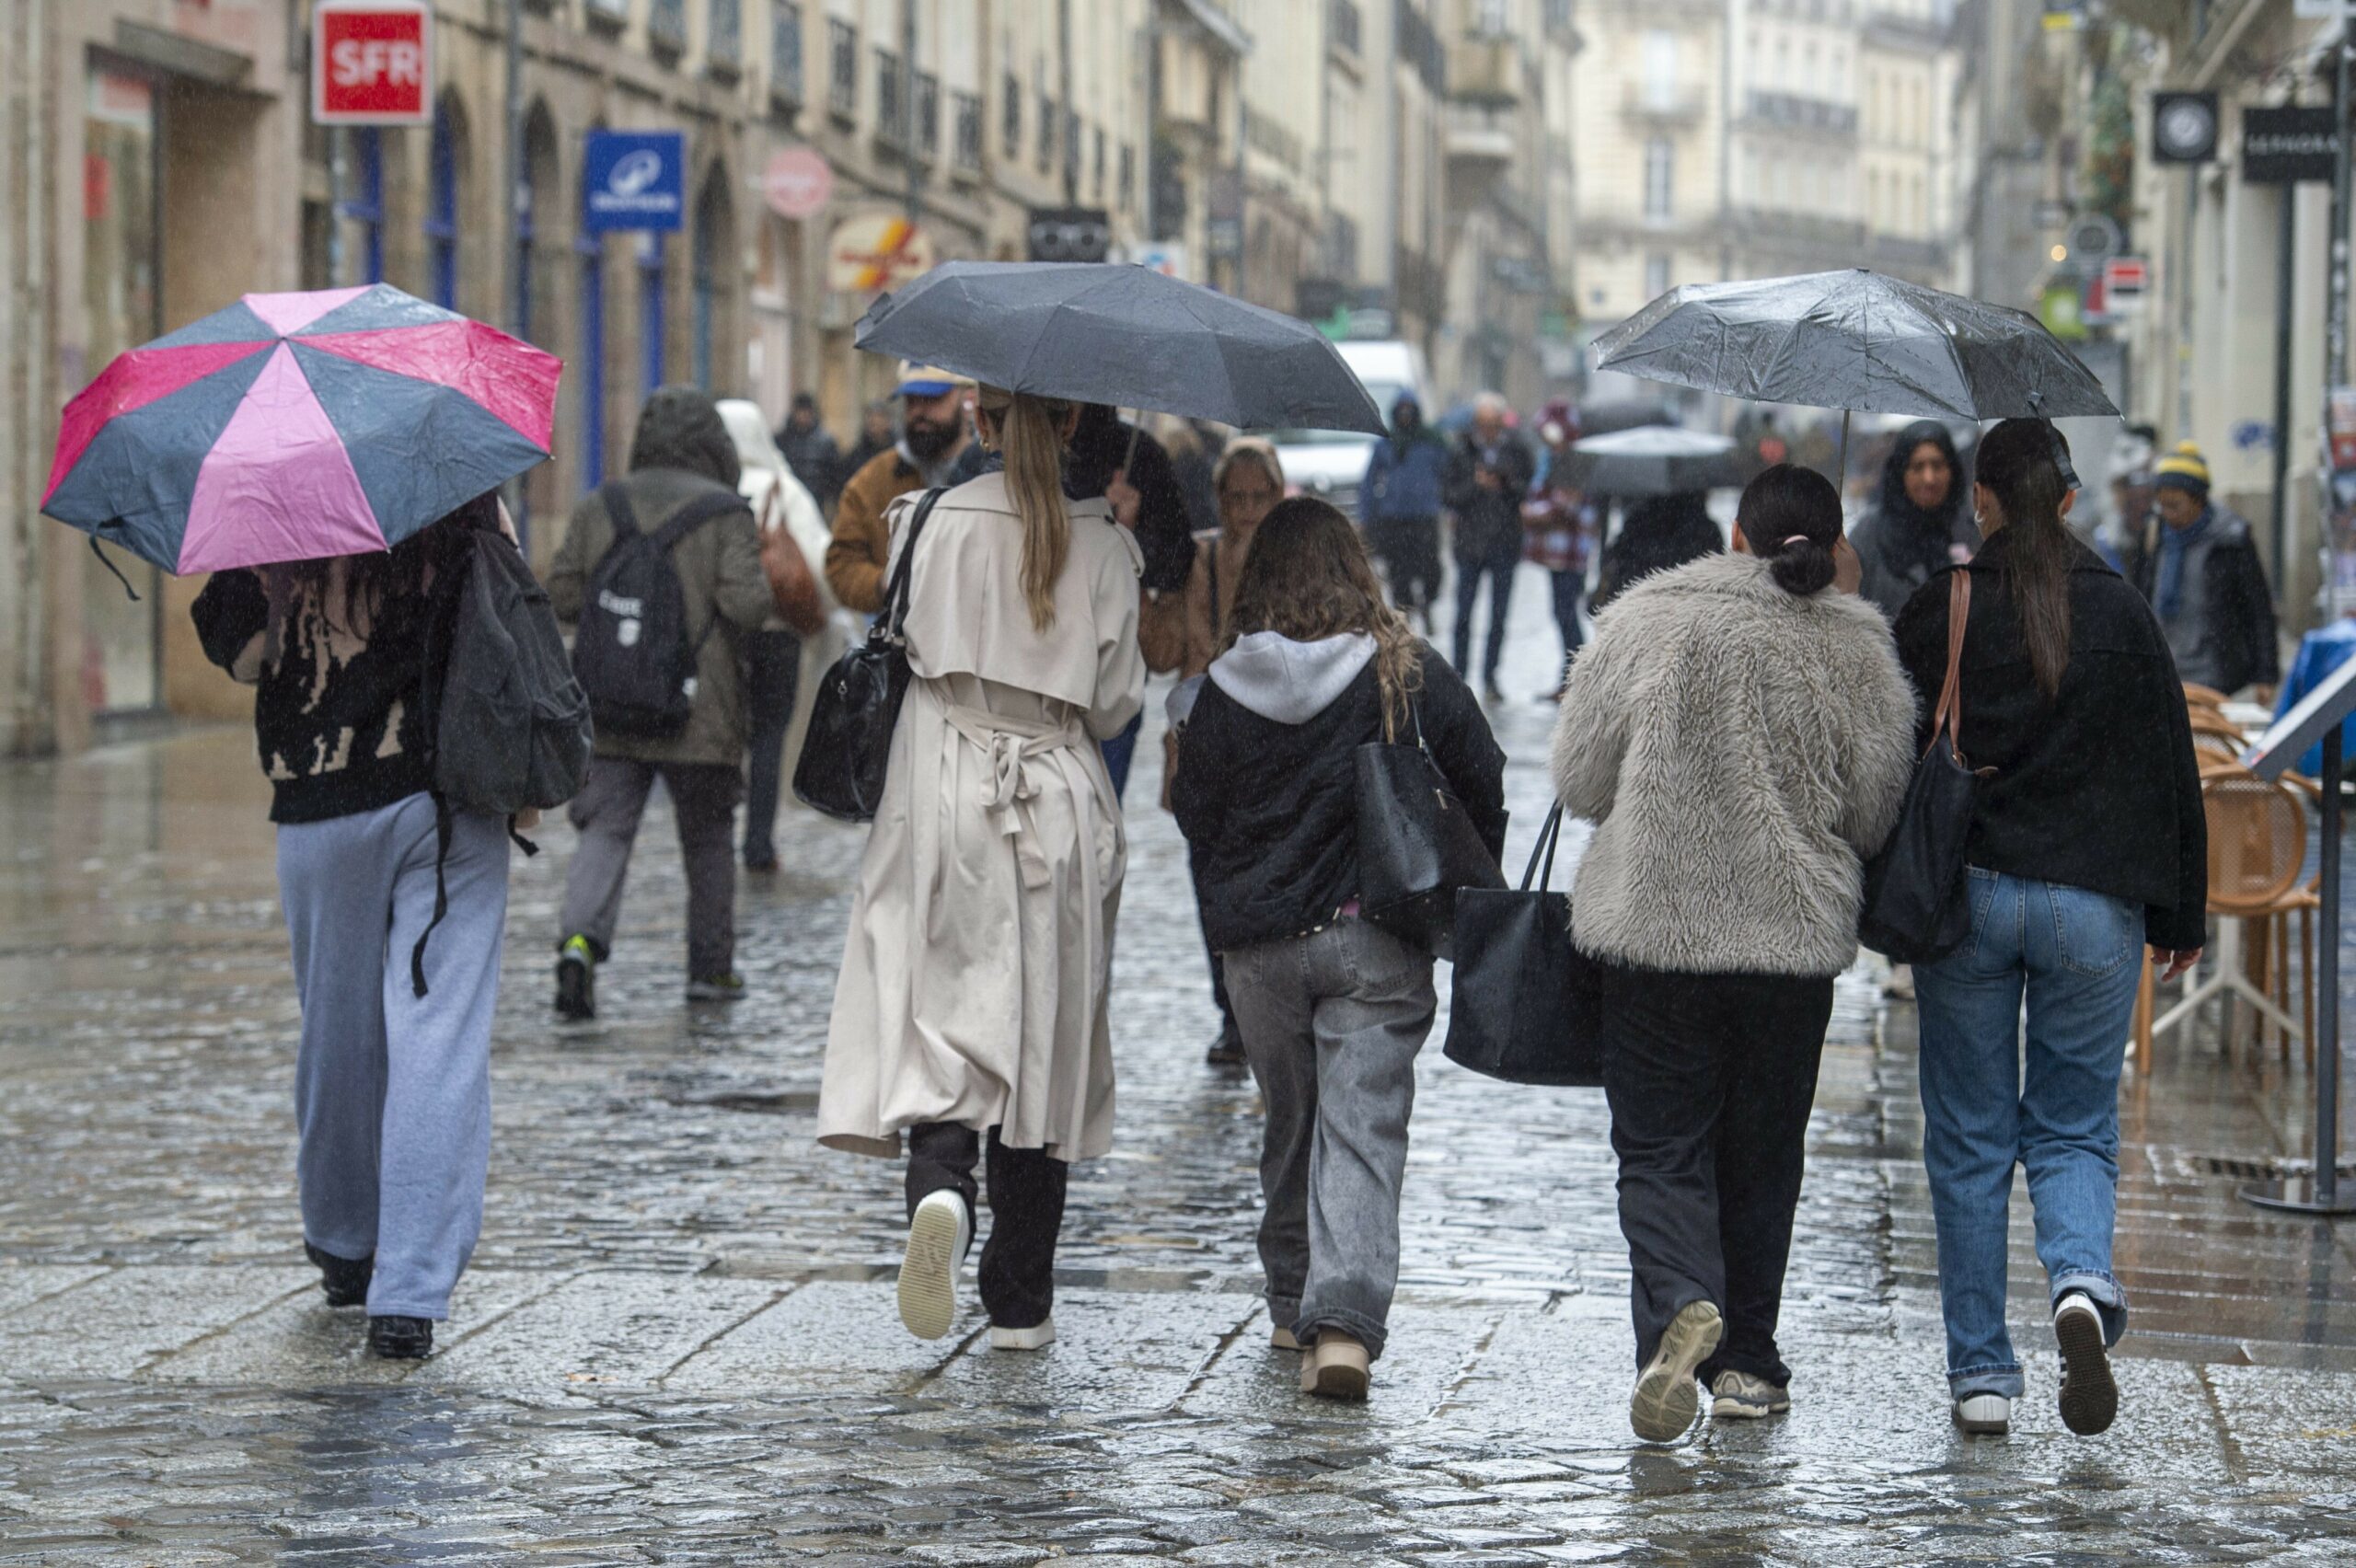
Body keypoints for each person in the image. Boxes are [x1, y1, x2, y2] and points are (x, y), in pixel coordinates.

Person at [1553, 464, 1916, 1443]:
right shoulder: (1858, 646)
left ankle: (1677, 1298)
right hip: (1788, 946)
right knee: (1763, 1155)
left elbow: (1581, 782)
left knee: (1660, 1146)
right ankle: (1748, 1362)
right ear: (1835, 543)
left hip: (1653, 934)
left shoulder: (1645, 619)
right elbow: (1876, 812)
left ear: (1737, 537)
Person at [1892, 419, 2207, 1440]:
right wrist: (2181, 912)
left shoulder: (1942, 606)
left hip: (1971, 900)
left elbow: (1883, 741)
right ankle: (2078, 1284)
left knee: (1970, 1140)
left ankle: (1982, 1376)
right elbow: (2174, 765)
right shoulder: (2121, 609)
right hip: (2093, 909)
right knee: (2072, 1125)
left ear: (1977, 498)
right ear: (2068, 500)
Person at [819, 382, 1146, 1354]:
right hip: (1054, 788)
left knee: (940, 1008)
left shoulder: (923, 524)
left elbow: (901, 639)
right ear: (1077, 420)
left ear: (983, 422)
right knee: (1043, 1036)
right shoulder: (1105, 546)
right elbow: (1120, 698)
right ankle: (1020, 1300)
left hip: (944, 784)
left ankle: (939, 1184)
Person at [1174, 498, 1504, 1401]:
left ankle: (1290, 1303)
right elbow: (1482, 769)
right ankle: (1343, 1329)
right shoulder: (1405, 670)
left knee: (1290, 1125)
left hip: (1259, 952)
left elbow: (1195, 815)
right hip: (1376, 939)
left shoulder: (1222, 687)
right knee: (1359, 1130)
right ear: (1355, 568)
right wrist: (1462, 888)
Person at [190, 495, 517, 1361]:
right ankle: (408, 1292)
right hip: (447, 792)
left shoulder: (269, 498)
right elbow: (514, 618)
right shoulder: (460, 491)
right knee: (438, 1033)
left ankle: (342, 1246)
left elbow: (245, 651)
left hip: (320, 799)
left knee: (336, 1030)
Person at [549, 388, 774, 1018]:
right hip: (703, 713)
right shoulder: (726, 512)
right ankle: (710, 970)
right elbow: (748, 606)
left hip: (611, 700)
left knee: (607, 827)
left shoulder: (603, 502)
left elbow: (562, 595)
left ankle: (578, 943)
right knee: (706, 839)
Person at [1137, 437, 1286, 1066]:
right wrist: (1152, 584)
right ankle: (1232, 1015)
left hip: (1276, 755)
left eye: (1259, 498)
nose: (1246, 511)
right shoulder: (1197, 559)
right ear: (1219, 498)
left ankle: (1267, 1011)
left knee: (1269, 886)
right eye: (1236, 497)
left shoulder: (1294, 564)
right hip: (1204, 755)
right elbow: (1162, 654)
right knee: (1212, 888)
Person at [719, 398, 834, 873]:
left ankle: (714, 837)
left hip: (722, 635)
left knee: (722, 739)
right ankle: (759, 843)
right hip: (777, 635)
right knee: (768, 738)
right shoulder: (783, 488)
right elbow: (821, 561)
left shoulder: (712, 488)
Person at [2119, 441, 2279, 697]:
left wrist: (2265, 674)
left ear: (2199, 500)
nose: (2168, 514)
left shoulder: (2231, 540)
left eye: (2175, 505)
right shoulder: (2154, 536)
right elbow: (2137, 600)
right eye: (2162, 504)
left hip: (2217, 676)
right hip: (2164, 673)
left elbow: (2258, 609)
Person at [826, 366, 974, 615]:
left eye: (933, 400)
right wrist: (887, 583)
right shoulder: (872, 481)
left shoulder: (991, 474)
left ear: (967, 399)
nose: (919, 412)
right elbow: (841, 564)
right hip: (900, 638)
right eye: (911, 401)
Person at [1444, 393, 1536, 700]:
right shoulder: (1461, 451)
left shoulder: (1517, 450)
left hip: (1504, 543)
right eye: (1482, 424)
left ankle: (1490, 676)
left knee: (1499, 617)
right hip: (1470, 545)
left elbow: (1526, 489)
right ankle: (1458, 676)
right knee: (1464, 615)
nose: (1488, 431)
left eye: (1493, 424)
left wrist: (1505, 483)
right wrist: (1476, 486)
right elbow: (1448, 495)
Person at [1850, 420, 1978, 621]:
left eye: (1937, 465)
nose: (1929, 478)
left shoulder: (1974, 529)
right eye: (1917, 467)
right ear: (1901, 472)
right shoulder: (1870, 534)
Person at [1525, 400, 1594, 698]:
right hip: (1558, 553)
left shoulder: (1573, 460)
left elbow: (1565, 504)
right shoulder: (1552, 458)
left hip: (1570, 552)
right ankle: (1569, 676)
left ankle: (1576, 678)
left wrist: (1530, 513)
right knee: (1562, 612)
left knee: (1566, 613)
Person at [1361, 392, 1449, 626]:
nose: (1406, 414)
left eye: (1410, 408)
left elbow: (1448, 474)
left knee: (1430, 569)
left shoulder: (1432, 441)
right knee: (1399, 572)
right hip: (1394, 518)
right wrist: (1367, 515)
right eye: (1402, 408)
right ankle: (1405, 615)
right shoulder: (1386, 443)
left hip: (1424, 516)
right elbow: (1370, 482)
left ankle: (1427, 601)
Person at [1589, 490, 1721, 612]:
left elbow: (1618, 559)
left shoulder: (1639, 522)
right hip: (1692, 613)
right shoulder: (1706, 530)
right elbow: (1718, 575)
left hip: (1639, 610)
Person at [775, 392, 845, 516]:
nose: (803, 416)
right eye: (800, 412)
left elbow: (834, 478)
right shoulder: (781, 440)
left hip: (816, 502)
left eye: (806, 412)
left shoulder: (825, 443)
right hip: (787, 503)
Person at [842, 399, 896, 480]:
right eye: (871, 417)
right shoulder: (856, 454)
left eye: (879, 416)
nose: (874, 420)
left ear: (887, 422)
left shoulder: (897, 451)